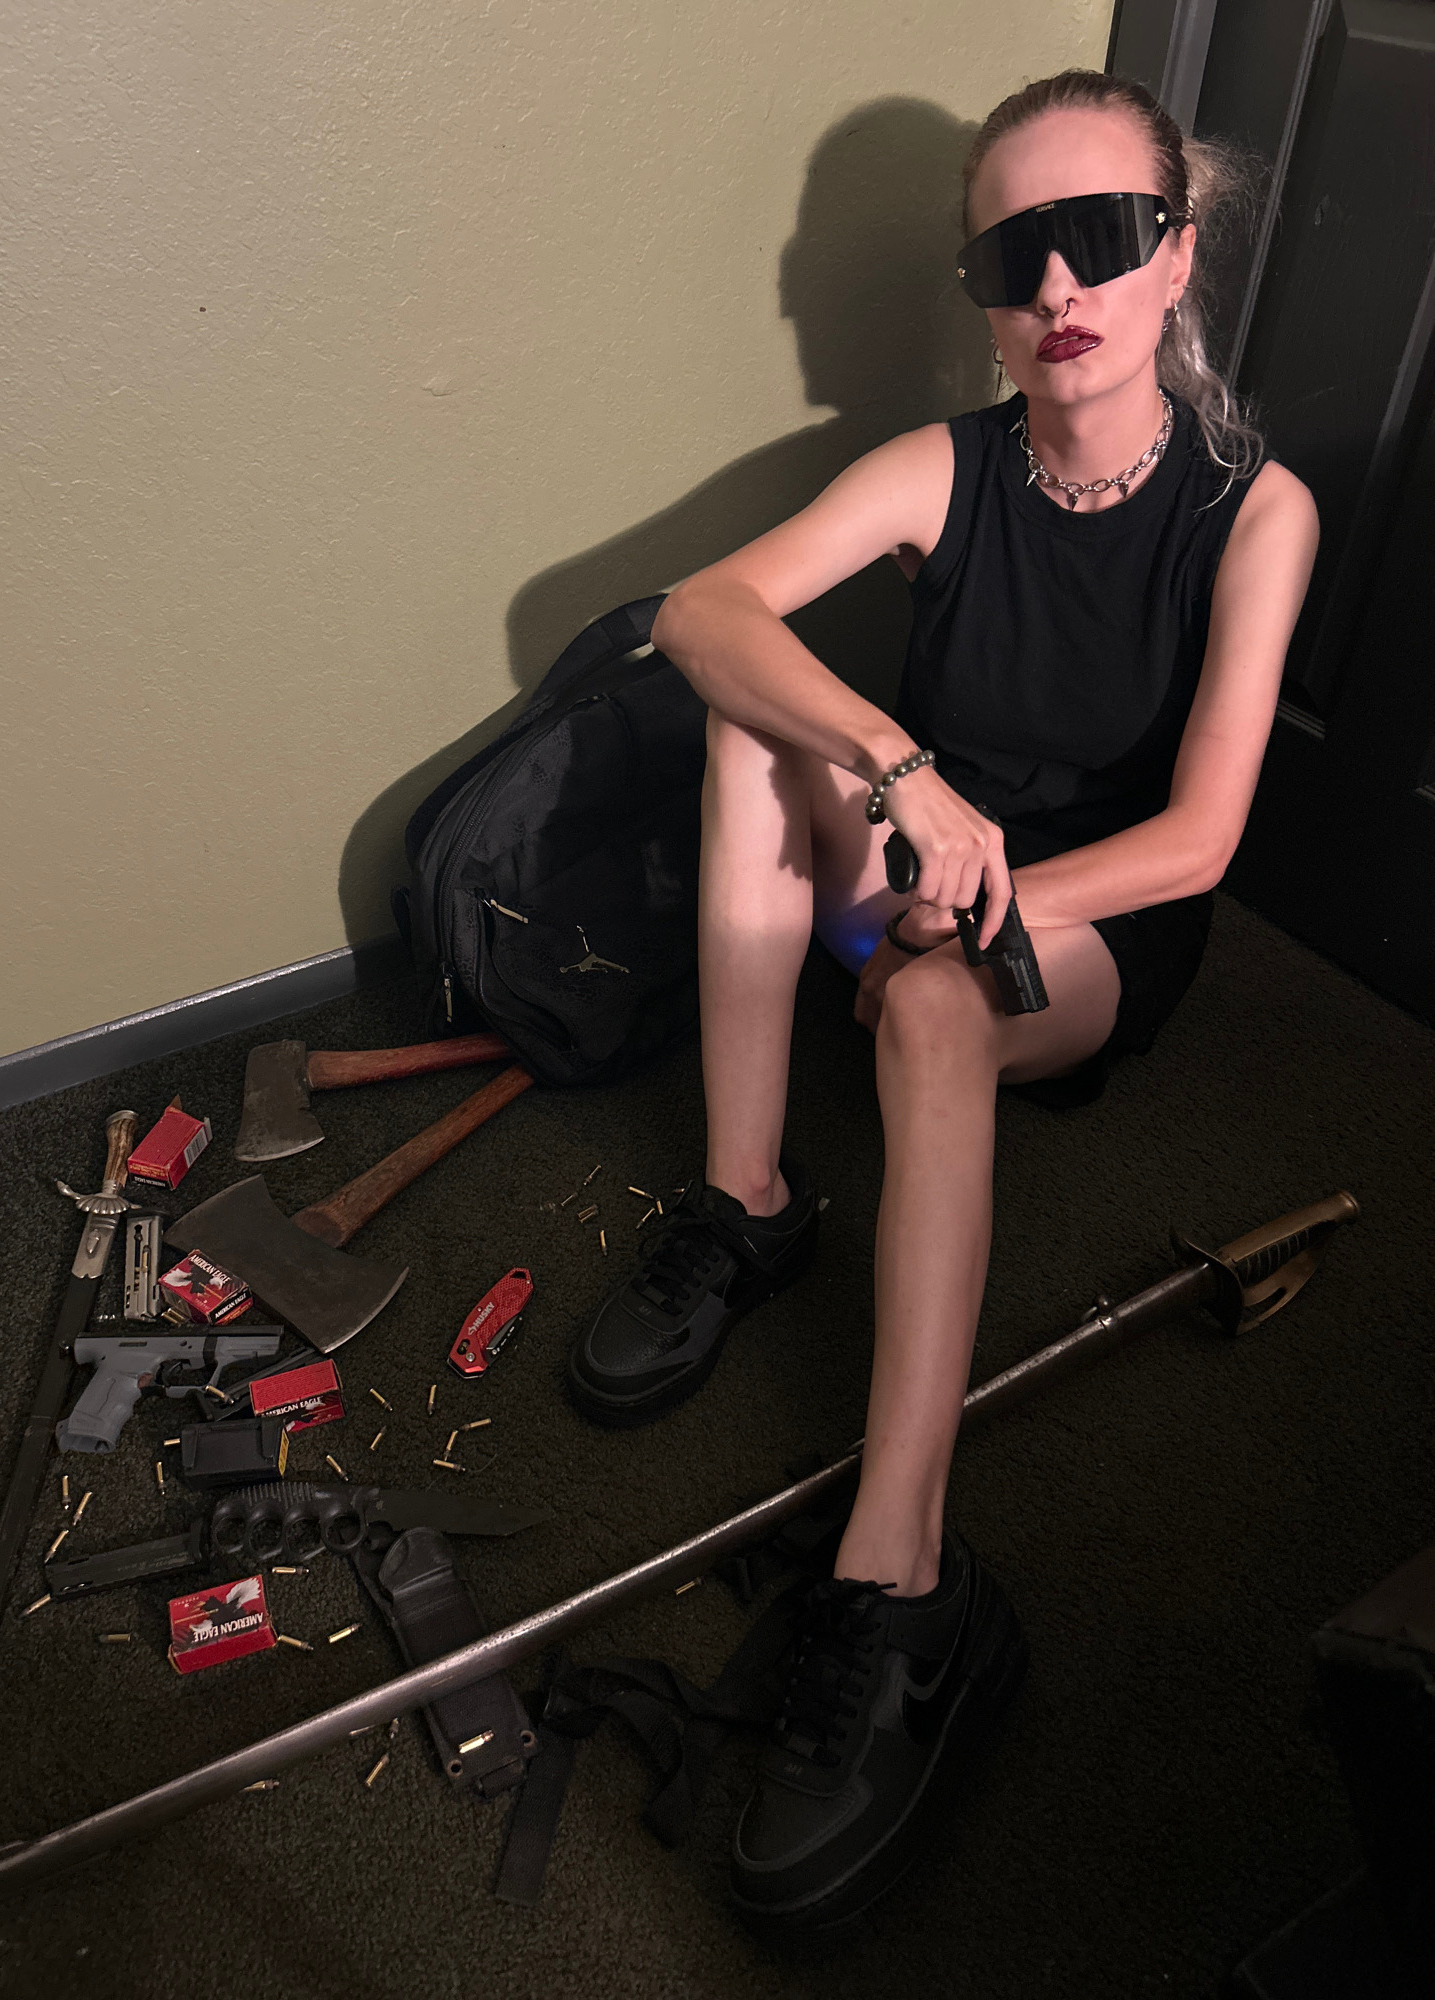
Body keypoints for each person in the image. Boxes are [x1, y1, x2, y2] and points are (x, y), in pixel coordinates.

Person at [566, 68, 1319, 1929]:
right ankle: (748, 1203)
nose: (1059, 284)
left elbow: (1202, 841)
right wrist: (903, 776)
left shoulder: (1256, 511)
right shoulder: (948, 465)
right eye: (1014, 254)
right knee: (750, 718)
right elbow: (699, 612)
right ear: (984, 291)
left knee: (926, 1014)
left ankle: (901, 1579)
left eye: (1106, 237)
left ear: (1178, 257)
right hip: (930, 862)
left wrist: (975, 915)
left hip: (1090, 925)